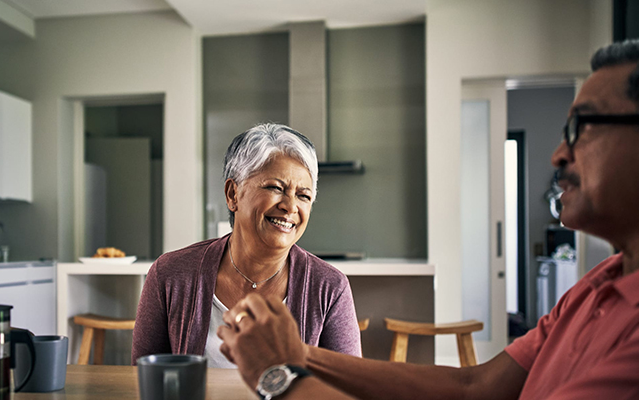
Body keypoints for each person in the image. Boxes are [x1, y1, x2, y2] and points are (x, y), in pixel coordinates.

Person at [218, 40, 639, 399]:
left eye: (581, 127)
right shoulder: (592, 289)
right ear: (233, 194)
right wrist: (299, 355)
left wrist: (277, 376)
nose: (558, 155)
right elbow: (473, 387)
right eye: (274, 187)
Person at [132, 123, 362, 366]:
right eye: (275, 187)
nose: (290, 206)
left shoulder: (330, 288)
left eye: (303, 196)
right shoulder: (169, 274)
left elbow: (347, 388)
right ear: (233, 194)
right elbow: (143, 378)